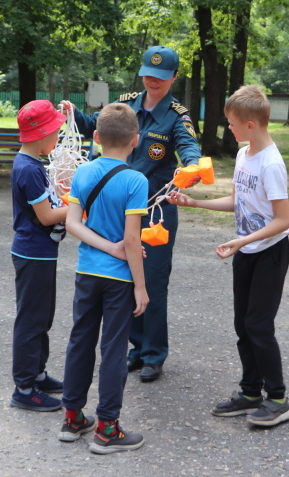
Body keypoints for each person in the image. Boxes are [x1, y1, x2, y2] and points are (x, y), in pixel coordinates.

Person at [66, 45, 201, 383]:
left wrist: (194, 166)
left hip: (154, 210)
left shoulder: (177, 113)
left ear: (173, 78)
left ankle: (153, 354)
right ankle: (135, 347)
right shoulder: (126, 103)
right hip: (117, 205)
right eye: (147, 75)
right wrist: (71, 114)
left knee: (152, 279)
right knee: (125, 277)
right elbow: (94, 125)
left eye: (160, 77)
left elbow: (188, 147)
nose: (152, 81)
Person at [168, 85, 289, 427]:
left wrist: (241, 241)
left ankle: (278, 399)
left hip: (269, 253)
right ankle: (251, 392)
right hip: (247, 250)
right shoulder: (243, 155)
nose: (229, 130)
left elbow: (283, 220)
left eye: (232, 124)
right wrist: (194, 202)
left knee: (258, 325)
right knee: (243, 324)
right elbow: (239, 202)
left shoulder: (271, 164)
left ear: (251, 125)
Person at [59, 103, 150, 454]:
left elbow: (72, 224)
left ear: (95, 137)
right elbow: (131, 241)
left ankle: (72, 417)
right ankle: (108, 428)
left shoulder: (83, 173)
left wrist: (107, 248)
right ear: (136, 141)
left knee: (80, 340)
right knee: (113, 348)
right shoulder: (136, 180)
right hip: (119, 280)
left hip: (86, 273)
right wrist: (140, 287)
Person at [8, 100, 69, 411]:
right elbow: (46, 217)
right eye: (56, 131)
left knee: (43, 315)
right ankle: (24, 387)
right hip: (33, 253)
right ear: (43, 134)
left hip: (42, 253)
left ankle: (38, 373)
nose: (58, 136)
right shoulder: (29, 170)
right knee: (32, 320)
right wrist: (79, 207)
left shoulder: (35, 165)